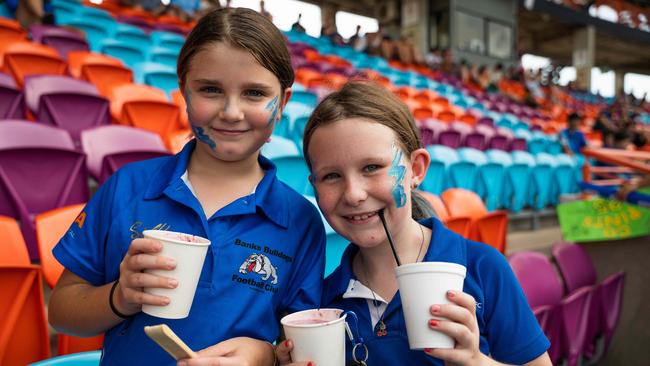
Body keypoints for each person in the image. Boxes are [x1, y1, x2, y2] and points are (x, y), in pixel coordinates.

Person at [48, 8, 326, 366]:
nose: (231, 111)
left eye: (255, 94)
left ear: (283, 103)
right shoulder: (126, 187)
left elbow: (300, 346)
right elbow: (60, 311)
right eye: (210, 89)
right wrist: (119, 297)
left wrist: (265, 356)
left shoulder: (300, 221)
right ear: (183, 90)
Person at [277, 81, 551, 365]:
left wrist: (477, 362)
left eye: (372, 168)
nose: (354, 194)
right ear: (314, 186)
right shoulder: (321, 303)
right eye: (331, 176)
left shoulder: (482, 267)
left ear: (416, 169)